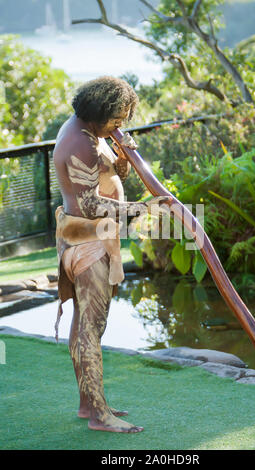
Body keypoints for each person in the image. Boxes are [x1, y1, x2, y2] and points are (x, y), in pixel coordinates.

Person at [53, 76, 168, 433]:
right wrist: (144, 208)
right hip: (88, 242)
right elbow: (90, 205)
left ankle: (90, 404)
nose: (121, 125)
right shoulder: (80, 143)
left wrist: (121, 162)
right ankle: (100, 416)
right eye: (117, 118)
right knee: (91, 328)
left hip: (91, 240)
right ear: (99, 111)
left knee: (86, 325)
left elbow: (105, 180)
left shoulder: (88, 134)